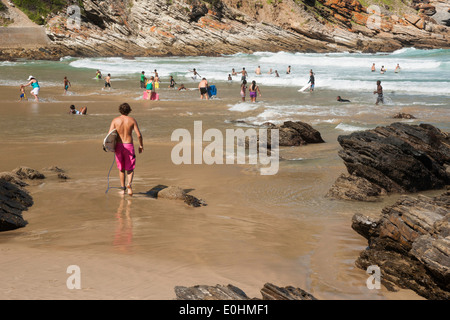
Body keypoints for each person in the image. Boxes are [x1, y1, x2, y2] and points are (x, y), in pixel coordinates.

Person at [108, 103, 143, 196]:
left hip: (119, 146)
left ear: (120, 110)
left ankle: (123, 189)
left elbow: (109, 135)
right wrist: (141, 146)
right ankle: (129, 186)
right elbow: (139, 135)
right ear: (129, 110)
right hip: (129, 146)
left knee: (121, 169)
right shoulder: (132, 120)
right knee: (130, 168)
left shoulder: (115, 120)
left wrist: (110, 147)